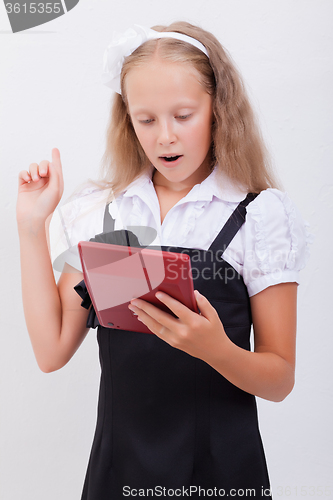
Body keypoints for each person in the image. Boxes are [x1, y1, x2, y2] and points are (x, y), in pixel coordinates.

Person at [17, 22, 311, 500]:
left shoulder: (258, 216)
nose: (165, 137)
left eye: (184, 115)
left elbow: (279, 380)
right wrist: (32, 229)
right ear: (127, 119)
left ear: (219, 109)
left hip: (221, 475)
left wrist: (214, 348)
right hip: (118, 476)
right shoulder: (102, 212)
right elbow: (51, 353)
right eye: (146, 120)